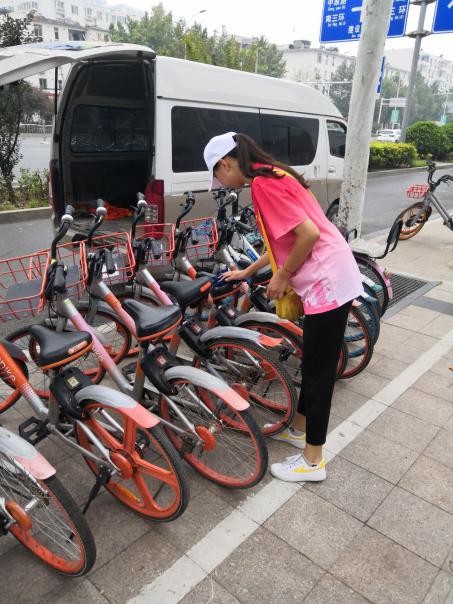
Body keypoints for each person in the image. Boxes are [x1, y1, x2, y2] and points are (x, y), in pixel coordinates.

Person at [203, 131, 363, 482]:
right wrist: (248, 270)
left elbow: (308, 235)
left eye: (218, 176)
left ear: (226, 164)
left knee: (319, 372)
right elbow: (287, 240)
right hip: (334, 274)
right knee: (313, 362)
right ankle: (300, 430)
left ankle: (313, 460)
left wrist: (283, 275)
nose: (222, 184)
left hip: (326, 282)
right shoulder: (276, 174)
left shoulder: (263, 185)